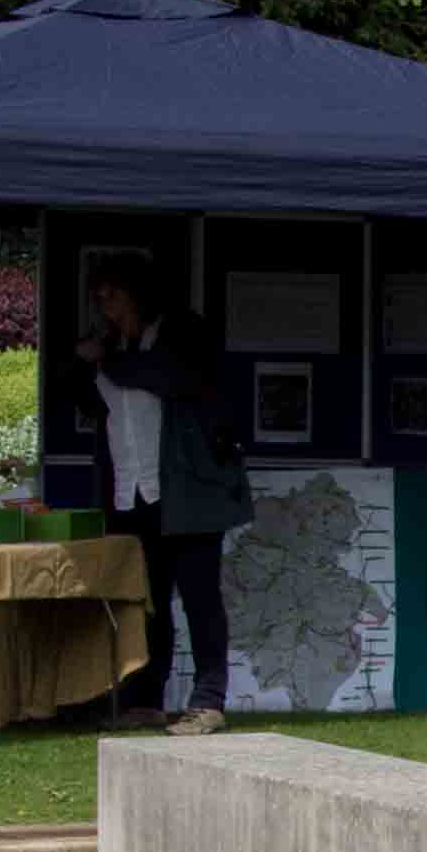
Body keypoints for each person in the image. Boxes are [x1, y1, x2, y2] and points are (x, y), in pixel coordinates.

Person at [74, 257, 253, 734]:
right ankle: (145, 698)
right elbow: (88, 400)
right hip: (132, 492)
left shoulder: (181, 331)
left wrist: (105, 359)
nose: (104, 306)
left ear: (137, 294)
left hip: (187, 490)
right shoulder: (113, 346)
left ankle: (208, 700)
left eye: (112, 294)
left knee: (199, 598)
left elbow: (167, 377)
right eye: (99, 297)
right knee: (148, 602)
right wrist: (89, 360)